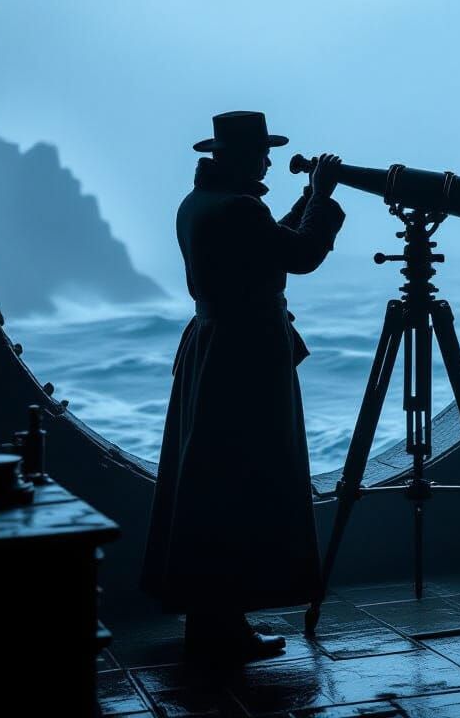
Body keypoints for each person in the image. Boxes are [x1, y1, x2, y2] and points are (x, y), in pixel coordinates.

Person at [139, 110, 344, 664]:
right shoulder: (238, 208)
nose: (269, 161)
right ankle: (224, 626)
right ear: (240, 158)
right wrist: (322, 196)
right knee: (244, 481)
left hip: (214, 347)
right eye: (261, 153)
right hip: (245, 355)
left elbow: (271, 242)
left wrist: (307, 199)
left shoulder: (201, 202)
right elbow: (299, 255)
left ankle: (212, 619)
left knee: (212, 481)